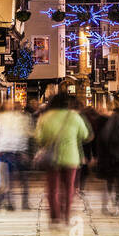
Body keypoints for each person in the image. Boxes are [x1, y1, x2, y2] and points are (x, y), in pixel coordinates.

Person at [34, 93, 92, 224]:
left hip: (52, 157)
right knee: (69, 187)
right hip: (71, 156)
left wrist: (47, 142)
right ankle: (66, 214)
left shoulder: (45, 117)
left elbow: (39, 138)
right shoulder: (74, 116)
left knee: (52, 188)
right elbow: (85, 135)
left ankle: (55, 216)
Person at [0, 100, 34, 210]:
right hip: (7, 150)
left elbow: (22, 134)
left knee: (15, 178)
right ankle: (12, 202)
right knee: (10, 178)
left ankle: (17, 202)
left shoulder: (14, 117)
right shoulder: (0, 118)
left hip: (14, 150)